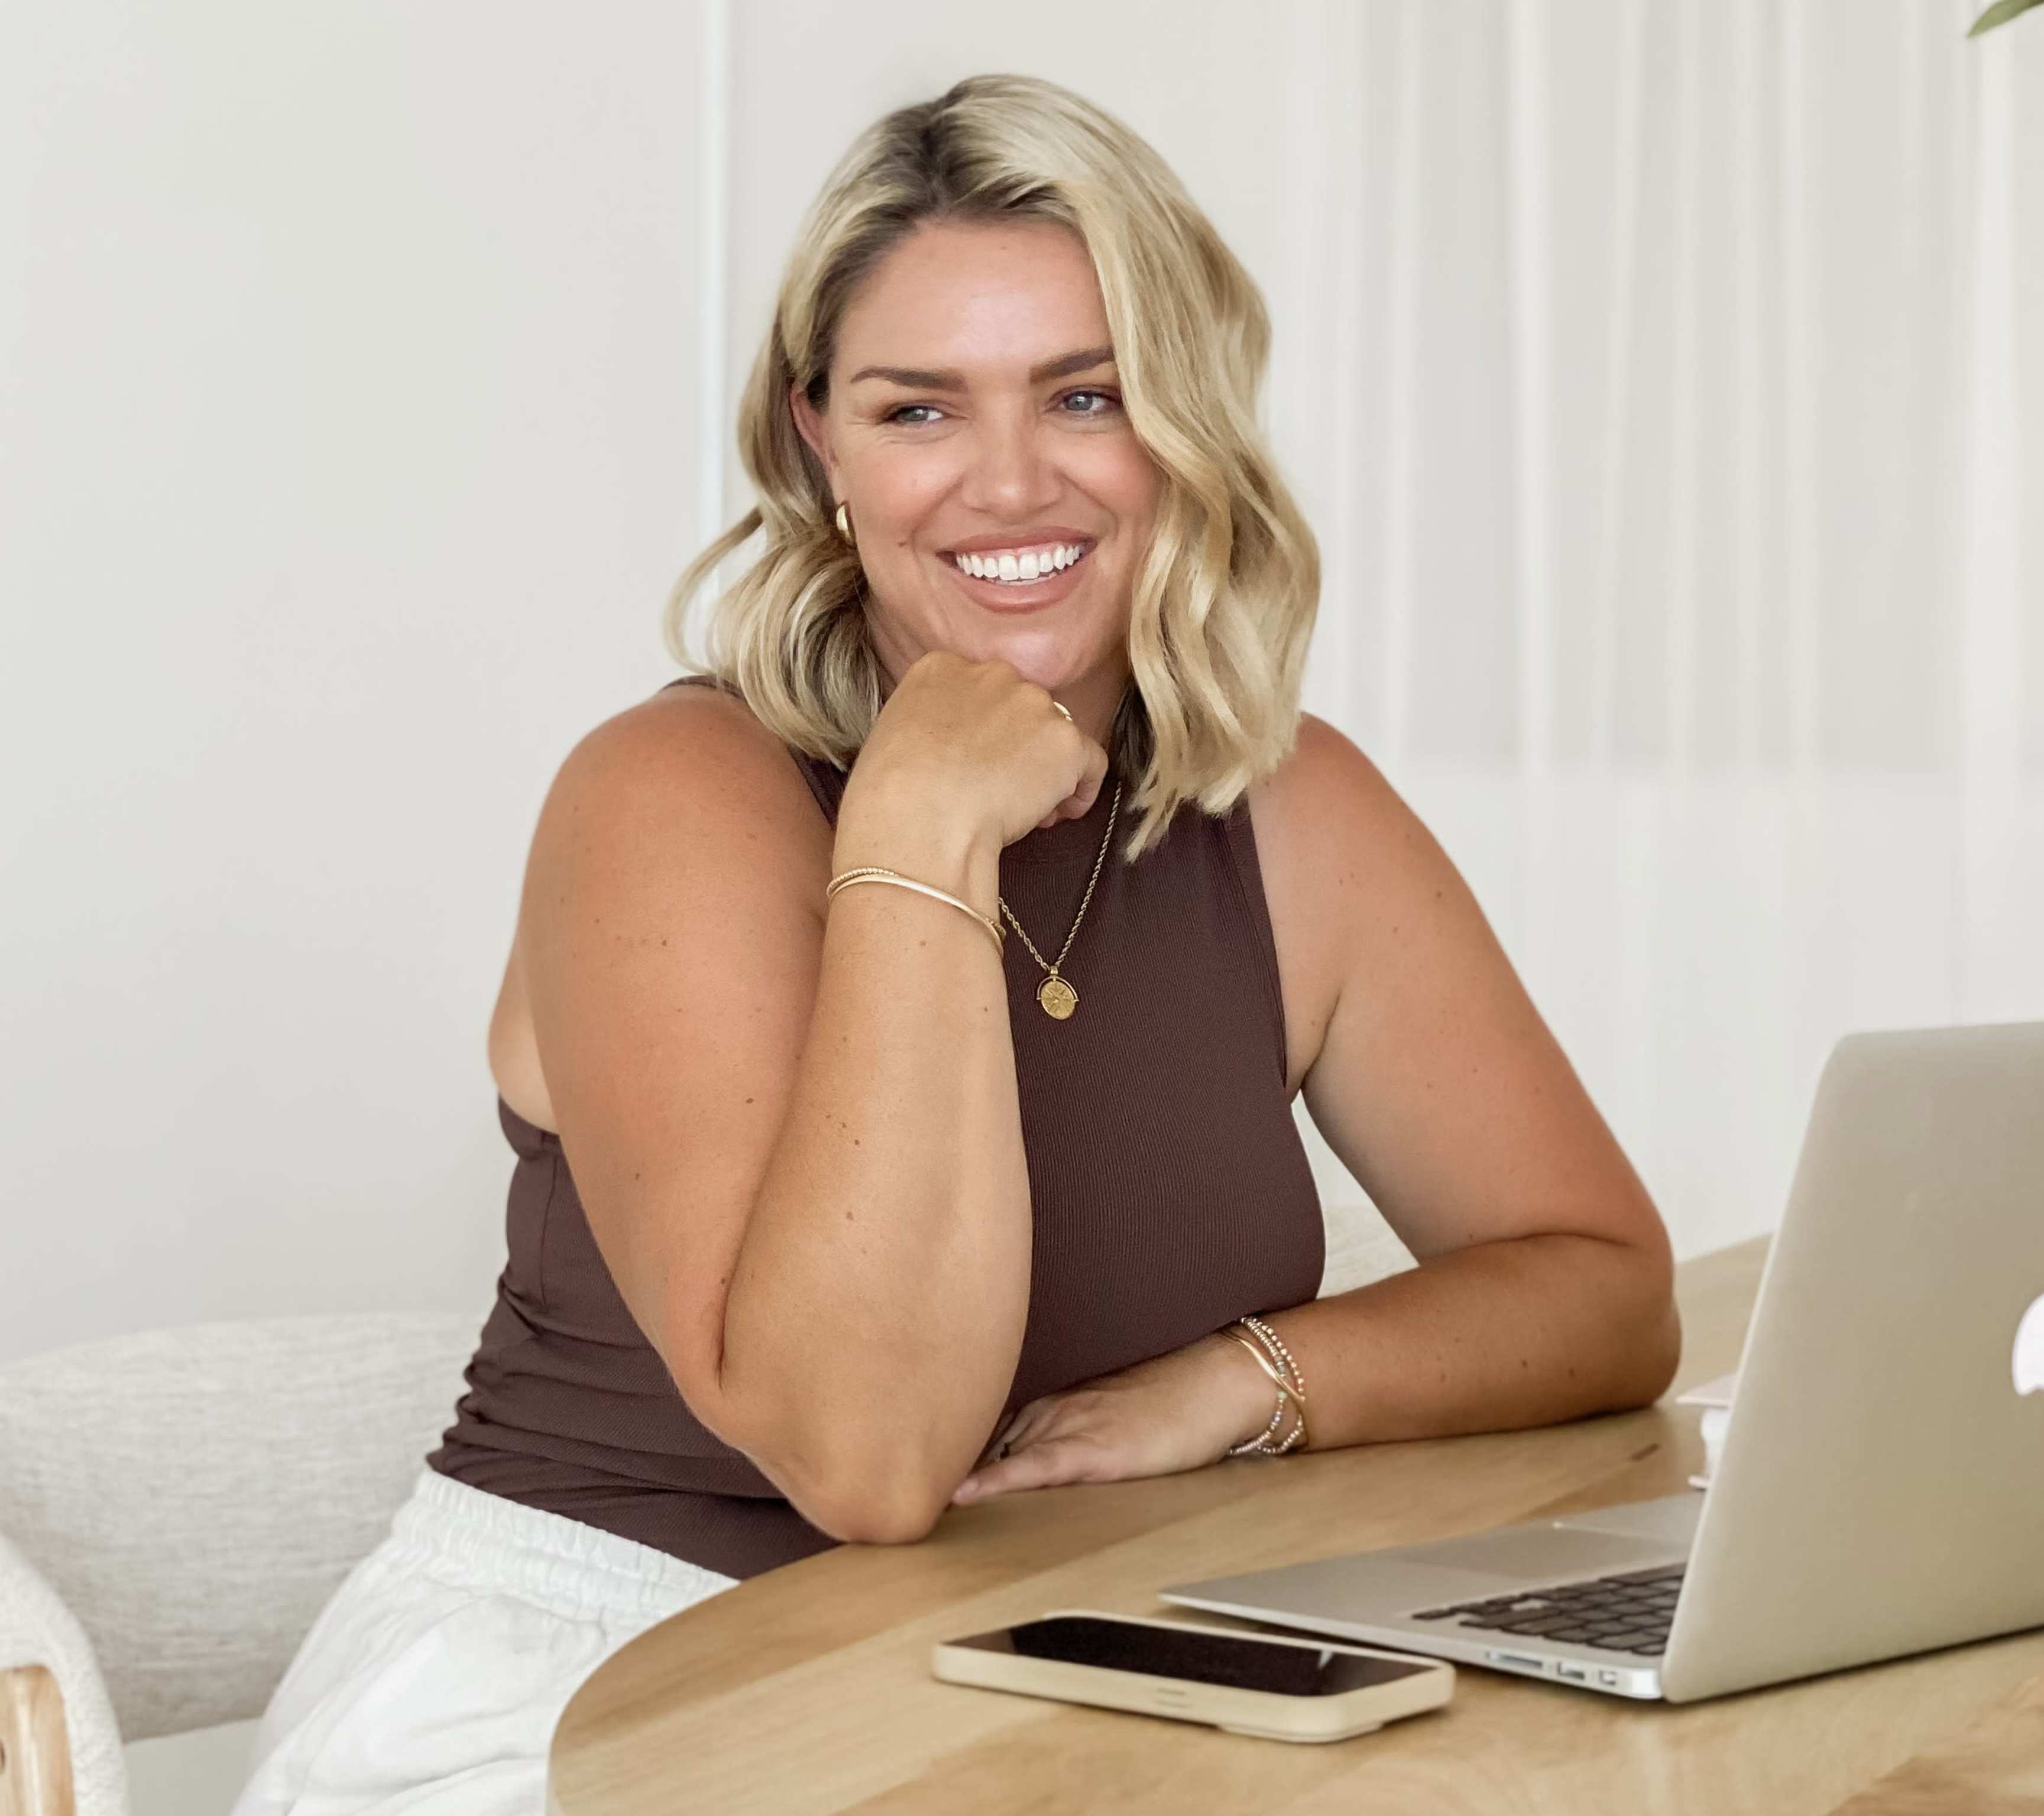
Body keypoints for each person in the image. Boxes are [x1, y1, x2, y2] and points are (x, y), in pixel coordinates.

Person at [234, 71, 1679, 1815]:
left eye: (1086, 394)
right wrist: (916, 825)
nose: (1009, 484)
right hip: (591, 1686)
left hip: (1039, 1671)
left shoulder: (1283, 809)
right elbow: (869, 1459)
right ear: (815, 444)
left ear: (1183, 425)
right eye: (920, 410)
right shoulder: (671, 794)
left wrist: (1242, 1381)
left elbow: (1602, 1286)